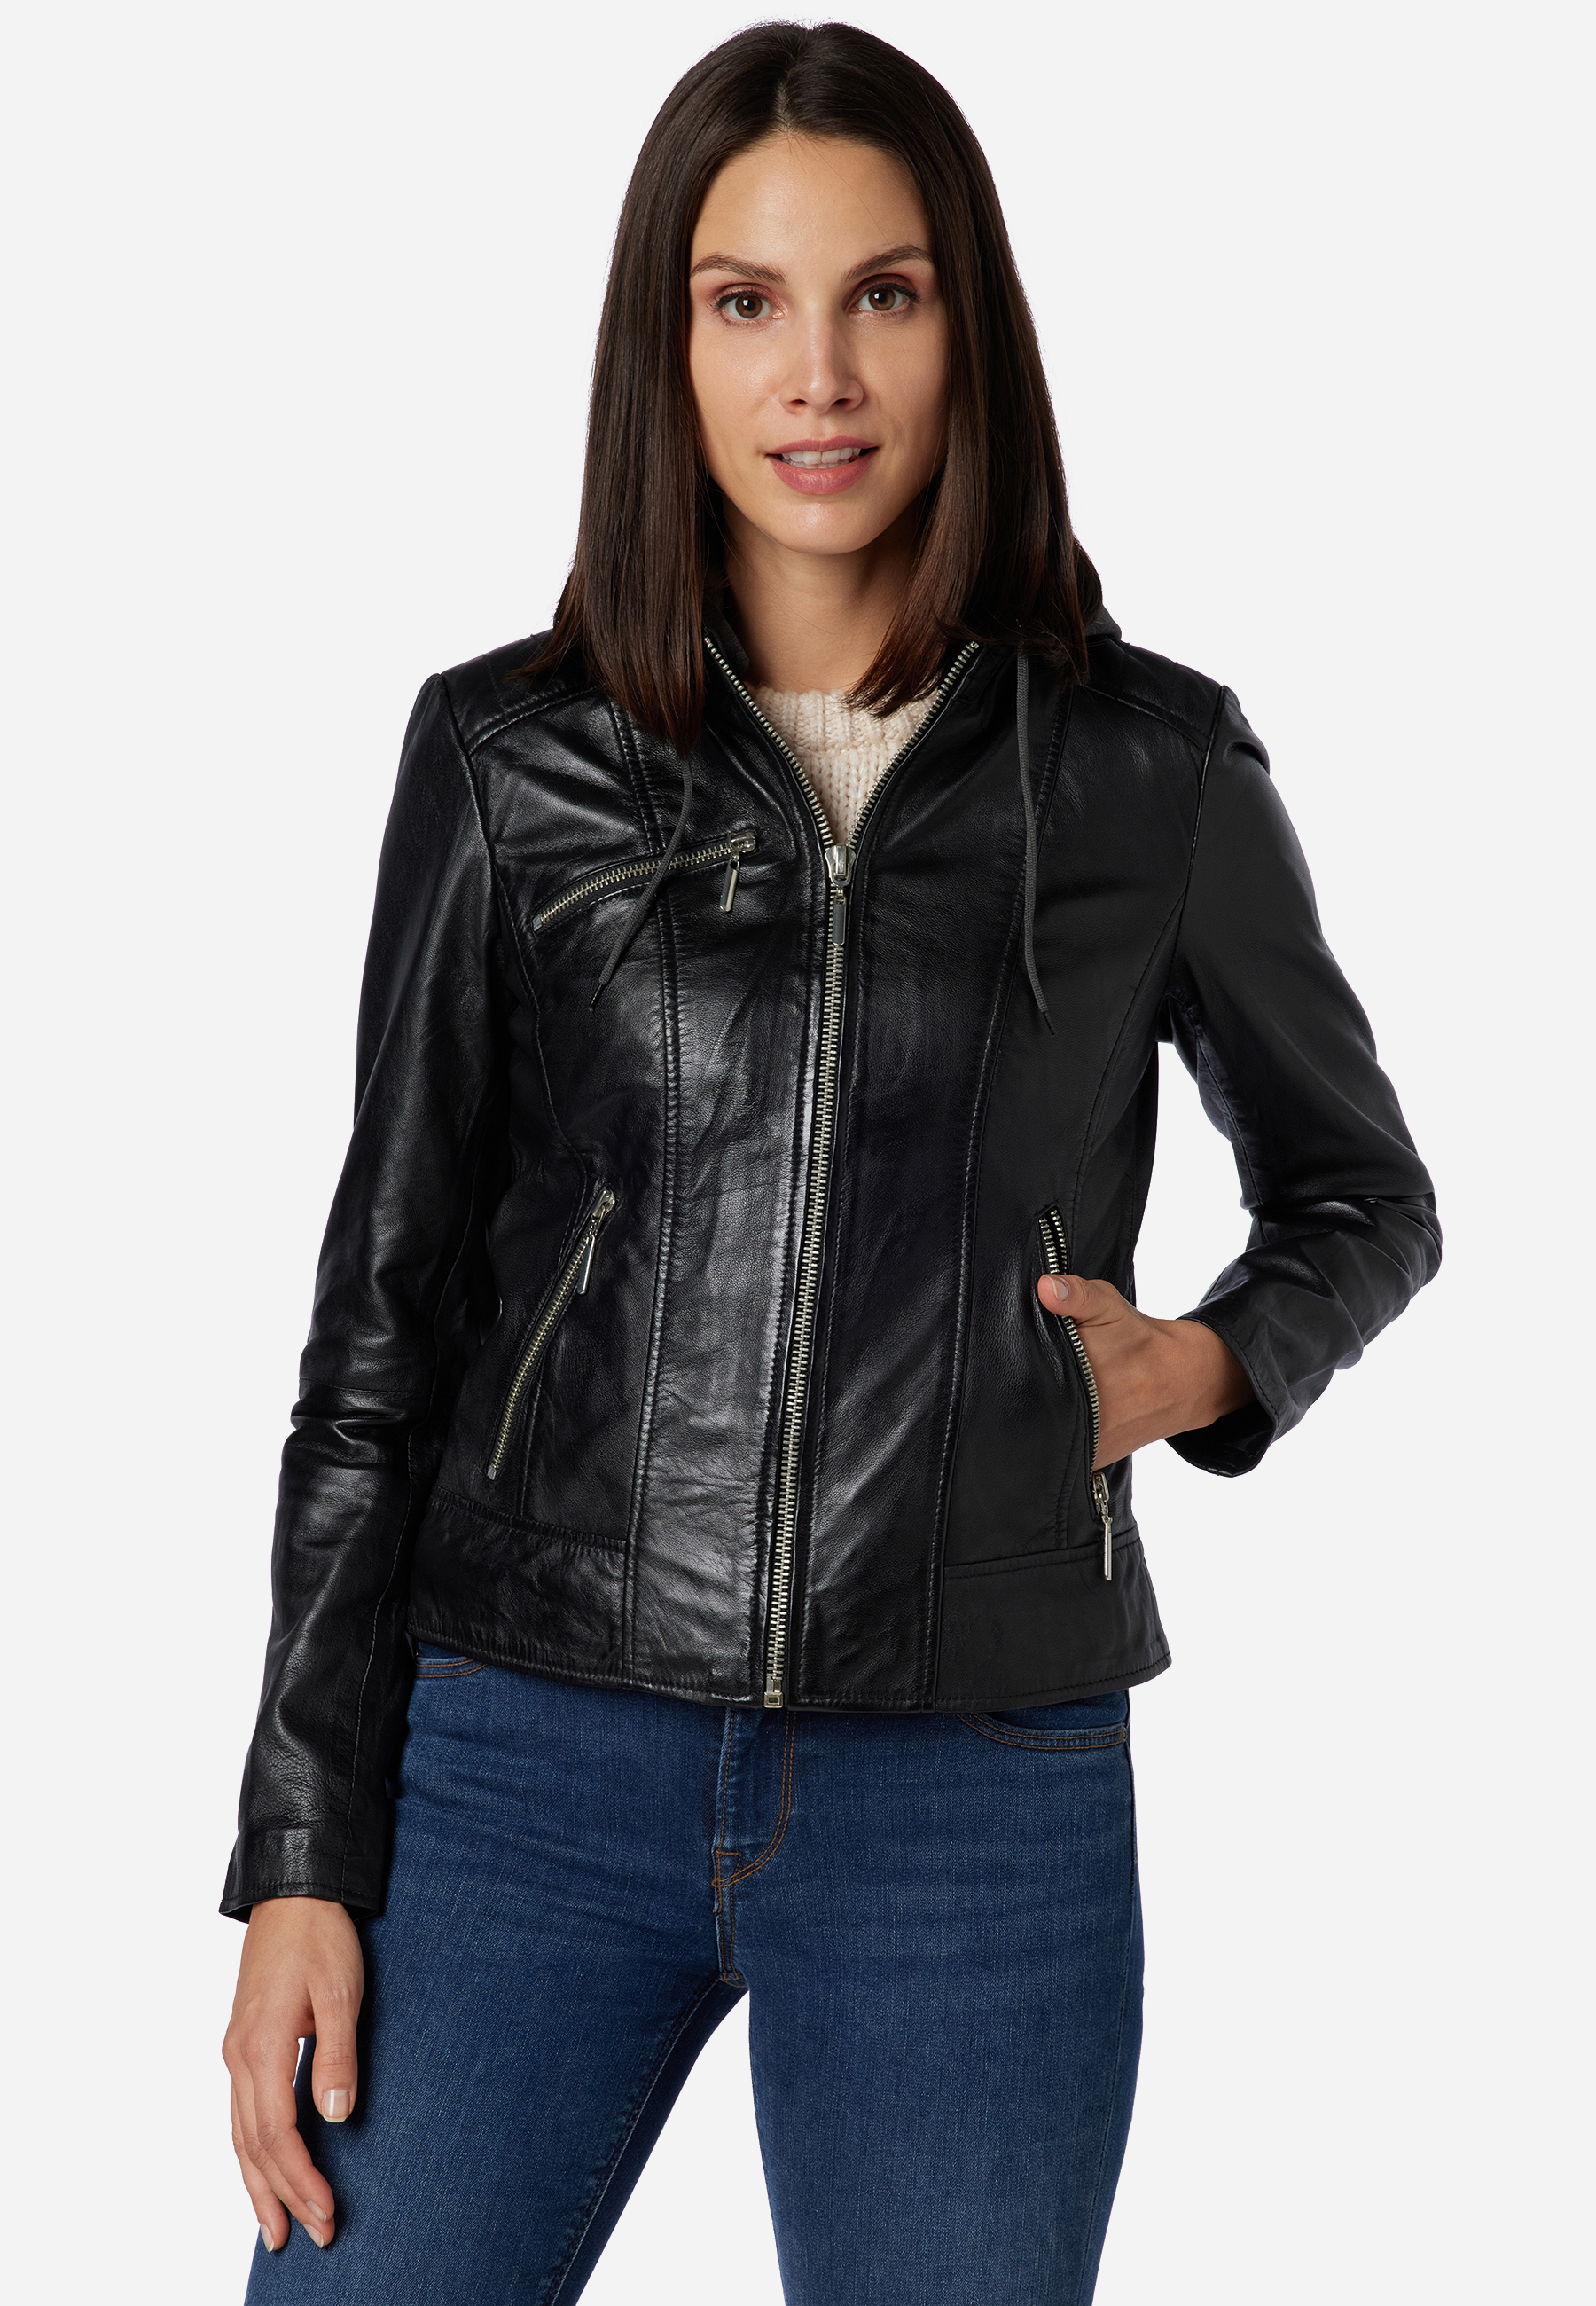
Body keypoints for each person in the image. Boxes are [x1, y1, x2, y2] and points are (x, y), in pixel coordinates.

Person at [221, 22, 1439, 2302]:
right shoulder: (506, 757)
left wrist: (1203, 1366)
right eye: (745, 300)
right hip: (523, 1756)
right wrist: (298, 1848)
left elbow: (1366, 1194)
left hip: (973, 1784)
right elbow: (376, 1335)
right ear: (665, 345)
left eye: (885, 293)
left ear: (970, 324)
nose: (820, 374)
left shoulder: (1151, 770)